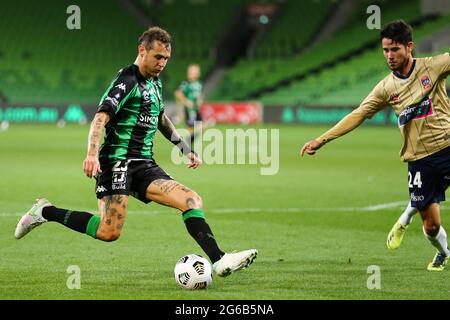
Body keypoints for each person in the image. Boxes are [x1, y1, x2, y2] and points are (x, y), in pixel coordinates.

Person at [14, 26, 257, 277]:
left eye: (166, 59)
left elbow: (160, 118)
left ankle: (219, 260)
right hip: (116, 163)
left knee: (191, 200)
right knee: (109, 232)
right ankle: (45, 211)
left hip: (143, 165)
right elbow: (100, 118)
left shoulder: (155, 83)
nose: (162, 63)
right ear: (142, 50)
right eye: (158, 57)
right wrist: (91, 154)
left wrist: (184, 148)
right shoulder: (126, 80)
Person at [301, 20, 450, 271]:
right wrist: (321, 139)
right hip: (419, 161)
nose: (389, 56)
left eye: (395, 50)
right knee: (431, 226)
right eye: (385, 50)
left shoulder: (433, 66)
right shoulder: (386, 88)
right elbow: (358, 114)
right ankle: (444, 252)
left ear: (409, 47)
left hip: (447, 146)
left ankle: (408, 216)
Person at [174, 64, 204, 147]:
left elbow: (201, 94)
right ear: (189, 72)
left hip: (196, 110)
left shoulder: (199, 84)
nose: (196, 73)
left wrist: (200, 100)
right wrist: (186, 101)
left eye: (197, 71)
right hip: (190, 110)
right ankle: (187, 148)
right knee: (190, 129)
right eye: (194, 71)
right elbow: (178, 93)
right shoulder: (186, 83)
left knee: (202, 128)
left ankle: (186, 143)